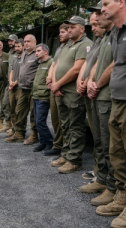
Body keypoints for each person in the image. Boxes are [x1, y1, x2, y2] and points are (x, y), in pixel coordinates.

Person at [94, 0, 126, 227]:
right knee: (117, 152)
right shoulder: (116, 32)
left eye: (105, 4)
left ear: (121, 2)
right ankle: (122, 196)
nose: (102, 9)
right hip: (118, 99)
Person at [51, 16, 93, 174]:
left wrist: (58, 84)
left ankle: (74, 160)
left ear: (82, 29)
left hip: (72, 92)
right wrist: (56, 85)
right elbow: (58, 65)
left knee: (75, 126)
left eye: (72, 27)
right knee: (65, 125)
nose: (69, 30)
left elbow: (77, 69)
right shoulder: (68, 45)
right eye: (68, 27)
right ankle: (66, 154)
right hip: (61, 90)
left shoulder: (85, 44)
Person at [86, 2, 117, 207]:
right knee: (100, 140)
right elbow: (97, 63)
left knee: (110, 145)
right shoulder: (106, 36)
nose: (97, 17)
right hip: (97, 94)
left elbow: (117, 63)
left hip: (107, 95)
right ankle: (103, 179)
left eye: (102, 10)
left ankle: (112, 187)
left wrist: (96, 83)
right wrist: (89, 80)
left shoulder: (117, 33)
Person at [76, 11, 106, 183]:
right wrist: (81, 80)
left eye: (96, 24)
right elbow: (88, 63)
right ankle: (98, 170)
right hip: (88, 91)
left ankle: (103, 175)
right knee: (96, 136)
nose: (94, 28)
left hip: (98, 91)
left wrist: (88, 80)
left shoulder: (107, 40)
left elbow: (100, 64)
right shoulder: (97, 42)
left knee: (103, 137)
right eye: (92, 25)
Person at [5, 34, 37, 144]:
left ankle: (34, 135)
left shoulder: (37, 54)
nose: (27, 43)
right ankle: (19, 133)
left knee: (34, 113)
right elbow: (17, 72)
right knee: (18, 111)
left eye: (28, 41)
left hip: (32, 89)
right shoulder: (24, 56)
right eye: (26, 41)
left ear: (34, 42)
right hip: (23, 88)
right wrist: (11, 82)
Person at [44, 24, 69, 156]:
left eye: (63, 32)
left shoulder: (70, 47)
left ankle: (65, 147)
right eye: (60, 32)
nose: (60, 34)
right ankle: (58, 144)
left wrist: (57, 84)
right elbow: (54, 64)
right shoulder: (60, 47)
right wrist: (50, 79)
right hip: (54, 88)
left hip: (62, 89)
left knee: (63, 120)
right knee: (54, 118)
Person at [31, 44, 54, 152]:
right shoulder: (40, 63)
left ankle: (50, 142)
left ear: (46, 52)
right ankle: (42, 142)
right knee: (37, 121)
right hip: (36, 95)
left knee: (40, 121)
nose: (36, 53)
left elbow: (51, 79)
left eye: (38, 51)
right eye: (36, 51)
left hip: (43, 97)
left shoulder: (51, 63)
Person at [0, 34, 18, 133]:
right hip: (9, 82)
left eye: (12, 41)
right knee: (5, 103)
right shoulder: (9, 53)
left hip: (17, 83)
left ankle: (16, 128)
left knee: (15, 106)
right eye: (9, 41)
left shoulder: (20, 52)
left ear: (16, 41)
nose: (10, 42)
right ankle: (8, 124)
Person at [6, 39, 24, 137]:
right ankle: (14, 129)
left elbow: (23, 73)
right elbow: (11, 71)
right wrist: (10, 83)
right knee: (12, 110)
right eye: (16, 46)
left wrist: (15, 83)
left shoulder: (25, 58)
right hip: (12, 87)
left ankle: (20, 131)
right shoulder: (15, 58)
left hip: (20, 88)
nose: (16, 48)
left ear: (23, 46)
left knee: (19, 111)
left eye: (19, 46)